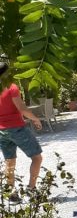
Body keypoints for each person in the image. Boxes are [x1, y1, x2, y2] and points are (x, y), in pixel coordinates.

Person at [0, 60, 43, 201]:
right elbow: (22, 109)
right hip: (17, 129)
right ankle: (31, 188)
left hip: (1, 131)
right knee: (37, 157)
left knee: (9, 161)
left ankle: (10, 192)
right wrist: (35, 119)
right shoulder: (11, 87)